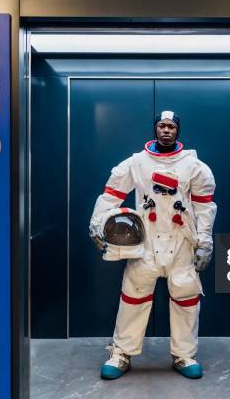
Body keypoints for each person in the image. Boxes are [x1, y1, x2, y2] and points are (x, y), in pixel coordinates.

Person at [89, 110, 217, 380]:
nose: (166, 130)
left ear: (177, 131)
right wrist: (97, 225)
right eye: (162, 126)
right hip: (145, 241)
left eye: (171, 126)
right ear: (155, 130)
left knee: (186, 297)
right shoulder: (136, 163)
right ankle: (122, 352)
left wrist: (205, 243)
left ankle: (184, 354)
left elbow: (205, 208)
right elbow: (111, 195)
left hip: (181, 240)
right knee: (133, 296)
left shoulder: (194, 166)